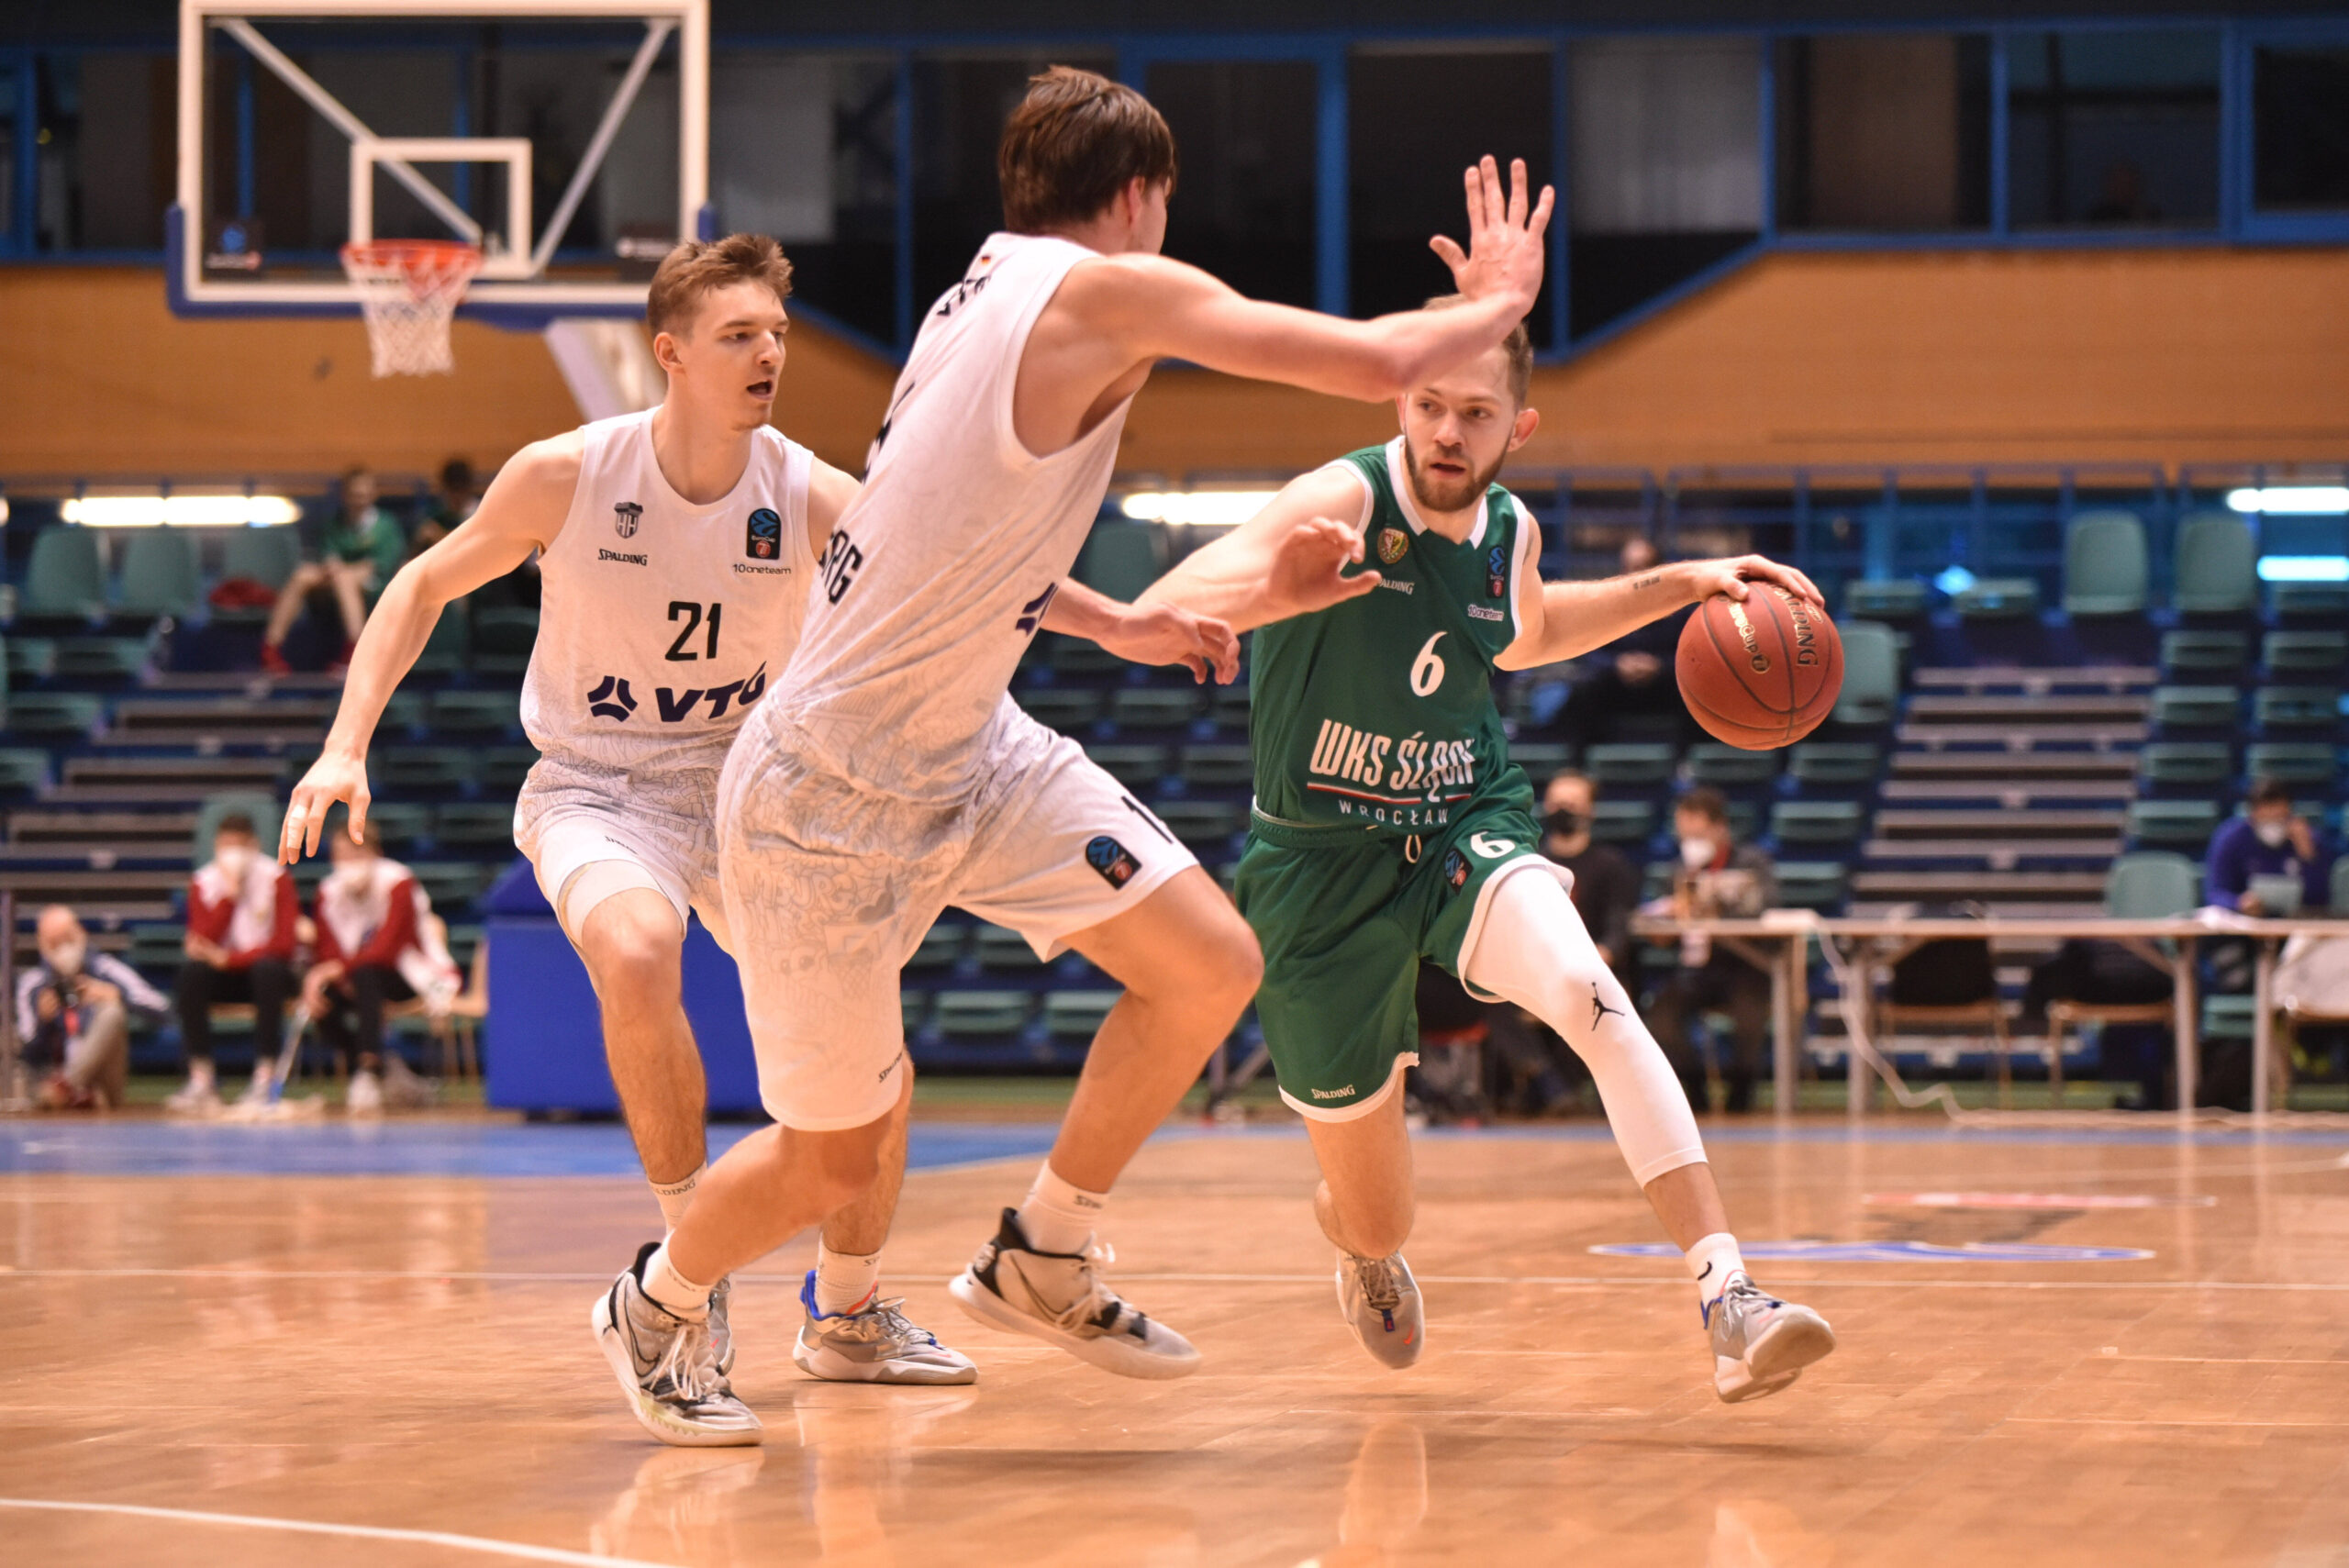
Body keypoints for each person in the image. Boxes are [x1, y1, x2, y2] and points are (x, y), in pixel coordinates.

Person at [602, 67, 1553, 1444]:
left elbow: (966, 544)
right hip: (828, 789)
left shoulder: (979, 293)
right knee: (832, 1160)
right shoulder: (1094, 290)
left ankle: (1042, 1248)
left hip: (971, 744)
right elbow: (1372, 363)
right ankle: (655, 1302)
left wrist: (1141, 625)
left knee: (1212, 961)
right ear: (1143, 196)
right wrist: (1503, 302)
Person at [282, 233, 1026, 1431]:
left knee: (874, 1076)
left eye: (779, 334)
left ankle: (847, 1314)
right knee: (635, 949)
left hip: (760, 798)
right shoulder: (568, 474)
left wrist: (1134, 624)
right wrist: (343, 741)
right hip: (599, 785)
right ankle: (685, 1279)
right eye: (741, 335)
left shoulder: (813, 491)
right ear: (670, 353)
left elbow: (970, 584)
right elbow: (418, 583)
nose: (770, 353)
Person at [1138, 301, 1835, 1402]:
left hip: (1464, 822)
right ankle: (1360, 1243)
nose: (1447, 433)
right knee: (1378, 1209)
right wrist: (1239, 601)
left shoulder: (1508, 530)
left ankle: (1728, 1295)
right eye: (1427, 406)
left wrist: (1684, 582)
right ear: (1396, 401)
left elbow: (1533, 630)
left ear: (1521, 424)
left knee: (1589, 991)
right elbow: (1174, 596)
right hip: (1317, 869)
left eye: (1474, 412)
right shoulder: (1340, 500)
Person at [1484, 770, 1643, 1113]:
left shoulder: (1610, 864)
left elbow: (1619, 927)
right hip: (1534, 974)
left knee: (1587, 997)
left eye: (1571, 804)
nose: (1561, 810)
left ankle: (1559, 1089)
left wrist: (1597, 959)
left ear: (1590, 811)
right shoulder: (1528, 862)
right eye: (1556, 803)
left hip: (1590, 972)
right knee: (1486, 995)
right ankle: (1551, 1086)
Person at [301, 816, 461, 1114]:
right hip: (355, 979)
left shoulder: (399, 882)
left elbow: (388, 948)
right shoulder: (327, 892)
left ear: (375, 853)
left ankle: (370, 1071)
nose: (348, 863)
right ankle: (383, 1070)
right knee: (322, 1001)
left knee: (367, 973)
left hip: (406, 975)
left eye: (356, 854)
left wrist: (335, 970)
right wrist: (317, 977)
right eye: (341, 856)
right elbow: (325, 950)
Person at [1644, 787, 1779, 1115]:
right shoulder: (1677, 869)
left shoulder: (1752, 863)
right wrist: (1665, 923)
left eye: (1698, 832)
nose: (1689, 840)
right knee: (1660, 1018)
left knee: (1750, 1020)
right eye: (1684, 833)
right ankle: (1696, 1098)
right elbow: (1659, 927)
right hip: (1697, 971)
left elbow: (1765, 909)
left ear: (1720, 828)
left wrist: (1708, 904)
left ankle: (1739, 1103)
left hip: (1745, 966)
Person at [169, 811, 300, 1112]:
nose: (233, 855)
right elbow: (201, 941)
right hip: (223, 978)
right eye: (226, 846)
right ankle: (202, 1078)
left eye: (240, 846)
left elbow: (284, 946)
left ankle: (265, 1075)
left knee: (268, 971)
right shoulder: (203, 882)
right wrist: (229, 897)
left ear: (254, 845)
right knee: (191, 974)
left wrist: (230, 959)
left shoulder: (276, 878)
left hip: (266, 976)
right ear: (215, 846)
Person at [13, 906, 164, 1111]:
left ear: (81, 933)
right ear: (42, 945)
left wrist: (117, 994)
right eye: (54, 943)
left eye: (67, 938)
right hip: (48, 1082)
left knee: (112, 1011)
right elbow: (26, 1051)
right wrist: (42, 1021)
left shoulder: (106, 968)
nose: (63, 948)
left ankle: (68, 1086)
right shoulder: (32, 984)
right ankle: (64, 1089)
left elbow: (160, 1008)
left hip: (102, 1085)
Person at [261, 466, 407, 675]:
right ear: (344, 495)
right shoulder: (334, 524)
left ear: (373, 494)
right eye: (354, 495)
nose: (359, 500)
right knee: (304, 574)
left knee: (344, 578)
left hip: (375, 582)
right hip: (337, 579)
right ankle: (271, 648)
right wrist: (332, 564)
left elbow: (381, 564)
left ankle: (354, 651)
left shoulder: (386, 525)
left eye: (364, 494)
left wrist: (344, 569)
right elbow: (329, 554)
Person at [1557, 537, 1696, 749]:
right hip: (1618, 687)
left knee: (1697, 689)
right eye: (1630, 567)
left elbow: (1693, 658)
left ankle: (1688, 766)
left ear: (1658, 570)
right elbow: (1588, 654)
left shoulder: (1680, 610)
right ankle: (1579, 766)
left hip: (1663, 686)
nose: (1635, 574)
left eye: (1643, 567)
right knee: (1583, 689)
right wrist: (1618, 664)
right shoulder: (1604, 609)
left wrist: (1659, 665)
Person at [2207, 778, 2334, 917]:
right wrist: (2238, 903)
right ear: (2252, 815)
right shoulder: (2230, 838)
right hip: (2244, 925)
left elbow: (2322, 900)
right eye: (2266, 819)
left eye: (2279, 818)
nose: (2273, 824)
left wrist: (2308, 856)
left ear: (2290, 814)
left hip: (2295, 925)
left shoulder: (2309, 839)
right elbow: (2215, 893)